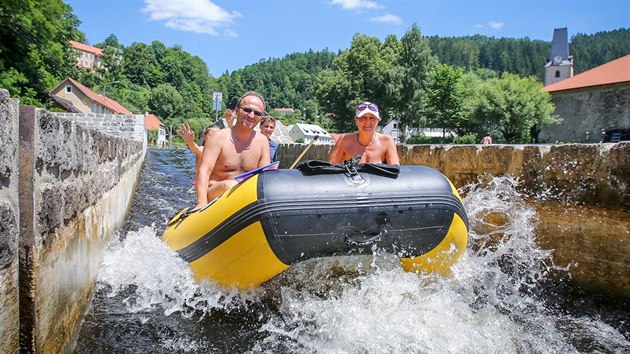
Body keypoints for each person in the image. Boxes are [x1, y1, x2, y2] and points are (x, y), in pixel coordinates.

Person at [194, 91, 270, 209]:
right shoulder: (217, 138)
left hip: (246, 198)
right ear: (237, 110)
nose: (251, 115)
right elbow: (204, 171)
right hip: (216, 193)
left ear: (260, 118)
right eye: (247, 110)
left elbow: (264, 177)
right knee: (231, 185)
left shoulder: (262, 142)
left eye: (257, 113)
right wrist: (201, 204)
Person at [328, 101, 400, 165]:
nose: (368, 122)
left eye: (372, 118)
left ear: (378, 120)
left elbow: (395, 172)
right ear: (356, 120)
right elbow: (330, 171)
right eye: (363, 117)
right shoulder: (344, 140)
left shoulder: (387, 142)